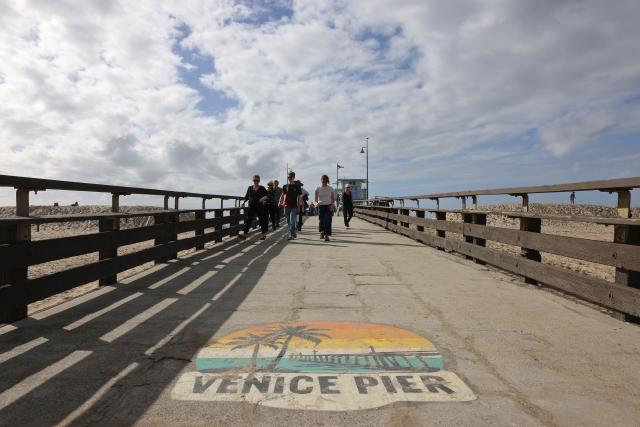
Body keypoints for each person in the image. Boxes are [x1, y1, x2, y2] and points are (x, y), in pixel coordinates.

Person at [240, 175, 268, 240]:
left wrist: (264, 198)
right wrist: (243, 202)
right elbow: (247, 197)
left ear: (259, 181)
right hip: (251, 206)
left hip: (259, 207)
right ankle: (245, 234)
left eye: (257, 180)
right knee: (248, 220)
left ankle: (263, 234)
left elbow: (268, 195)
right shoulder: (250, 188)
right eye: (255, 180)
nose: (256, 182)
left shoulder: (262, 188)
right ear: (253, 180)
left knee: (261, 220)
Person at [279, 171, 303, 240]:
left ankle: (291, 234)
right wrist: (280, 202)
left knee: (292, 220)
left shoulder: (297, 186)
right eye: (288, 177)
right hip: (286, 205)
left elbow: (299, 197)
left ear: (293, 177)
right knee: (288, 221)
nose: (289, 178)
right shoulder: (285, 186)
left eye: (290, 177)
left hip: (294, 206)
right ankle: (293, 232)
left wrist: (299, 207)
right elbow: (282, 195)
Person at [315, 174, 335, 242]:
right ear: (321, 180)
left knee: (328, 220)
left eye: (325, 180)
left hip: (328, 205)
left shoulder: (331, 188)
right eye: (322, 180)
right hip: (321, 205)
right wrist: (317, 202)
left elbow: (332, 198)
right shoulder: (318, 188)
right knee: (321, 220)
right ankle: (322, 232)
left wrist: (332, 205)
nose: (324, 182)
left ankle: (326, 235)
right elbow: (316, 198)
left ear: (327, 181)